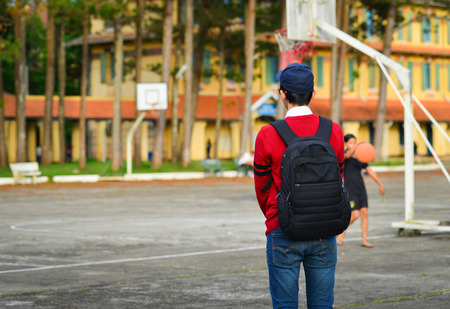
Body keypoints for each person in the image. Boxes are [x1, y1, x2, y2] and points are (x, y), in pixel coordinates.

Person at [253, 63, 345, 308]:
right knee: (322, 303)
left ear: (282, 94)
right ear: (313, 93)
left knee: (284, 304)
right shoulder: (333, 130)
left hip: (284, 229)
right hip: (325, 228)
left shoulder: (267, 134)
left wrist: (277, 215)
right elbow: (339, 179)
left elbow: (262, 188)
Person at [336, 134, 385, 248]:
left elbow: (370, 171)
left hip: (361, 189)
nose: (353, 144)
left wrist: (380, 184)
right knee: (355, 215)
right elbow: (348, 154)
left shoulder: (360, 157)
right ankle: (341, 233)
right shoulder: (344, 156)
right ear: (346, 144)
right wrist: (357, 146)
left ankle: (364, 240)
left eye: (355, 142)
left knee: (364, 213)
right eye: (351, 142)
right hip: (350, 190)